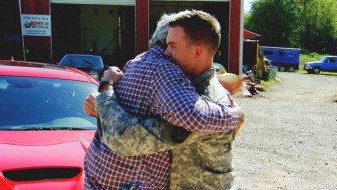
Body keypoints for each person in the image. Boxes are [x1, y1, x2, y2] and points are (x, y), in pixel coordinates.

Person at [83, 10, 244, 190]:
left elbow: (124, 138)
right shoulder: (180, 87)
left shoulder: (203, 101)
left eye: (172, 46)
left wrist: (235, 115)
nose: (165, 53)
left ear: (197, 50)